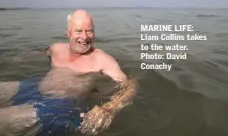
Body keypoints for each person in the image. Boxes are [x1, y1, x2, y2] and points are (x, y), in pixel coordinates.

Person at [0, 9, 138, 136]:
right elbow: (42, 51)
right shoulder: (56, 49)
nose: (84, 37)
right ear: (68, 33)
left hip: (58, 106)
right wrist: (17, 59)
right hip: (34, 88)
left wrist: (109, 108)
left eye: (89, 31)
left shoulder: (102, 60)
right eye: (79, 31)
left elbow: (131, 85)